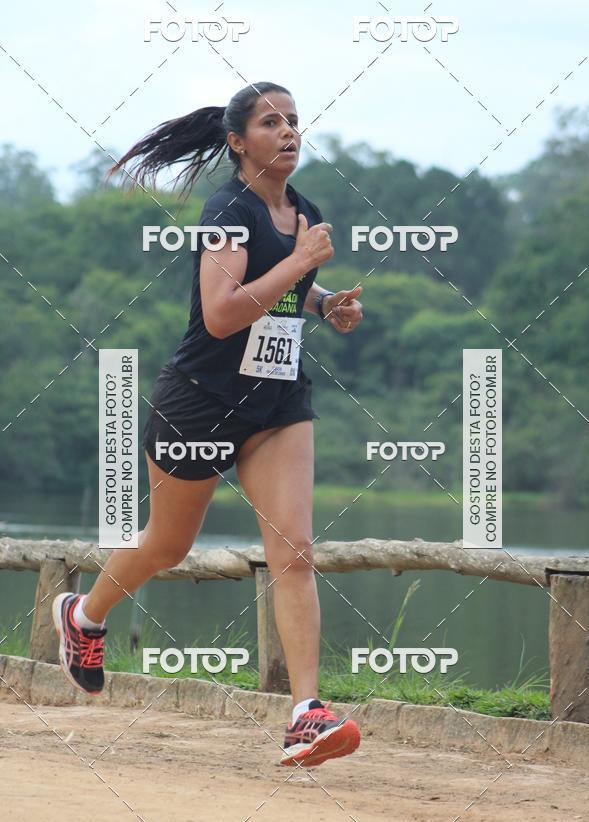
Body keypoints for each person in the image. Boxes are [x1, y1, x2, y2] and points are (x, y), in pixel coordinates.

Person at [52, 81, 364, 767]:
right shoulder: (226, 210)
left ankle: (306, 713)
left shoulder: (300, 211)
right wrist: (302, 263)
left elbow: (286, 283)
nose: (289, 132)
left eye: (294, 121)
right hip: (200, 401)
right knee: (167, 545)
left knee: (296, 551)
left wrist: (323, 303)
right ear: (236, 141)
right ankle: (84, 616)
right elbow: (222, 312)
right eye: (270, 122)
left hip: (277, 404)